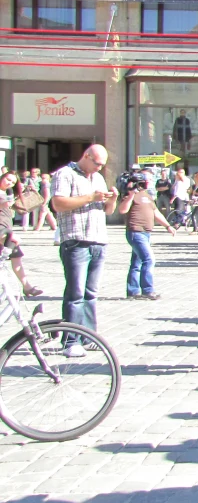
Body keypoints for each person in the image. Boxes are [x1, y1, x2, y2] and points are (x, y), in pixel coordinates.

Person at [51, 144, 118, 357]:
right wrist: (90, 197)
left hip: (98, 240)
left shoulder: (97, 178)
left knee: (91, 293)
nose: (99, 168)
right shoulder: (65, 174)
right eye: (97, 163)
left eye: (103, 165)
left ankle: (89, 336)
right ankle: (71, 340)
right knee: (76, 293)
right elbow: (58, 203)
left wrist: (112, 200)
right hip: (76, 240)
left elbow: (107, 210)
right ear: (86, 156)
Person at [118, 168, 175, 300]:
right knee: (149, 259)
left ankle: (133, 291)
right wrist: (131, 194)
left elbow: (156, 213)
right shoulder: (130, 195)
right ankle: (147, 290)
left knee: (136, 263)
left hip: (146, 233)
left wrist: (168, 226)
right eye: (145, 179)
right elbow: (122, 210)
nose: (147, 182)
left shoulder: (147, 196)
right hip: (135, 231)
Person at [0, 172, 43, 297]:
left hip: (6, 231)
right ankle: (27, 287)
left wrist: (26, 193)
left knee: (16, 258)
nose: (9, 183)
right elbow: (5, 204)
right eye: (8, 180)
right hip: (3, 232)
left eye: (12, 182)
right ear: (2, 177)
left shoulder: (7, 193)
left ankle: (27, 286)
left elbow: (20, 208)